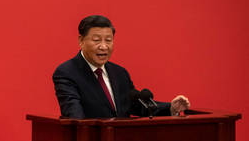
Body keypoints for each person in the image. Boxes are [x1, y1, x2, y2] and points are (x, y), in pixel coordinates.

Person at [52, 15, 190, 119]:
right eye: (96, 40)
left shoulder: (119, 73)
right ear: (81, 41)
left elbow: (135, 105)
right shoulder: (67, 72)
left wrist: (171, 108)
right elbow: (73, 114)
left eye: (108, 40)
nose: (103, 46)